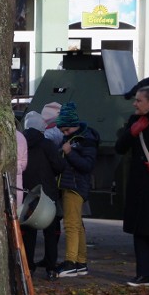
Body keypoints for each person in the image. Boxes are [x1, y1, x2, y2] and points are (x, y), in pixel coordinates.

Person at [115, 85, 149, 286]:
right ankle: (144, 274)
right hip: (137, 182)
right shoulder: (135, 120)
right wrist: (132, 133)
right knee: (138, 228)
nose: (134, 103)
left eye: (139, 100)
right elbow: (120, 147)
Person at [54, 102, 99, 278]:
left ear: (74, 125)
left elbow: (87, 165)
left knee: (71, 225)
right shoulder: (77, 138)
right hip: (72, 184)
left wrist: (70, 153)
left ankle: (70, 262)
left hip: (74, 186)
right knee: (78, 226)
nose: (64, 134)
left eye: (66, 130)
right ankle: (80, 262)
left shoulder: (84, 140)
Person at [20, 111, 66, 281]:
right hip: (47, 193)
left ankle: (28, 267)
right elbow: (59, 166)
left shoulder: (20, 142)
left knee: (29, 232)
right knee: (50, 232)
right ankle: (51, 267)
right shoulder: (47, 144)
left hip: (28, 193)